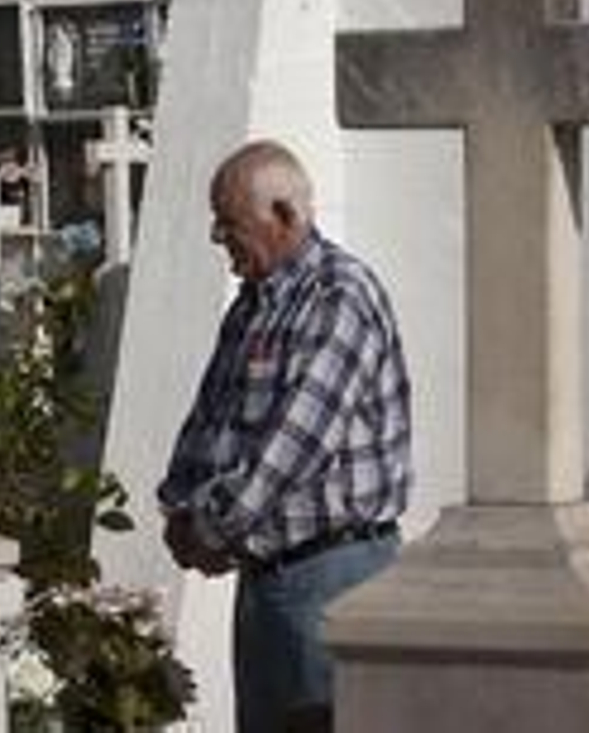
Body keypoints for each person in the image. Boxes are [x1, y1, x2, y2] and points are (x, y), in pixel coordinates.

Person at [157, 139, 412, 732]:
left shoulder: (338, 295)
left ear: (285, 216)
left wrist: (208, 527)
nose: (219, 238)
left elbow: (292, 448)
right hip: (266, 577)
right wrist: (178, 503)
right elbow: (210, 419)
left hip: (334, 574)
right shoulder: (251, 305)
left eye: (230, 222)